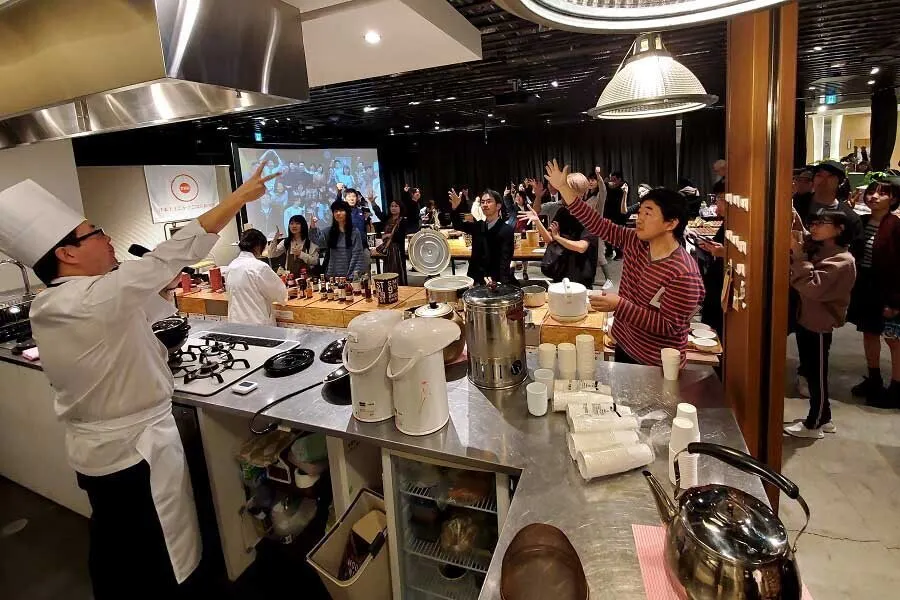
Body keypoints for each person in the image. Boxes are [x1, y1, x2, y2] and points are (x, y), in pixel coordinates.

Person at [0, 166, 278, 599]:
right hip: (132, 455)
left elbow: (141, 312)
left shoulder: (62, 301)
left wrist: (159, 291)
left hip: (108, 452)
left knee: (121, 548)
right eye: (95, 233)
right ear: (68, 253)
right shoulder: (85, 299)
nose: (107, 238)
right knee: (153, 556)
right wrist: (238, 198)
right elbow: (168, 256)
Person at [545, 160, 704, 367]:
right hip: (624, 344)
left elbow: (670, 326)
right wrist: (564, 188)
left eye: (648, 213)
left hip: (657, 361)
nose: (639, 219)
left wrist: (620, 305)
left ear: (671, 223)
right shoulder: (634, 240)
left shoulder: (683, 273)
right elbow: (597, 224)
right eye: (640, 212)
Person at [784, 209, 857, 439]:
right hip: (808, 318)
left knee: (817, 375)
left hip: (819, 323)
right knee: (812, 371)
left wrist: (799, 257)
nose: (814, 227)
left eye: (821, 223)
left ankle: (814, 424)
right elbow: (800, 232)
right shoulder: (822, 248)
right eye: (813, 222)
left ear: (840, 228)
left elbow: (813, 287)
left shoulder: (843, 261)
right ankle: (824, 418)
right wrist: (790, 209)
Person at [847, 177, 900, 408]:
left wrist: (895, 301)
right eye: (871, 192)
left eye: (882, 193)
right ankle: (874, 378)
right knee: (869, 333)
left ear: (894, 199)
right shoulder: (862, 221)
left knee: (894, 340)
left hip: (890, 289)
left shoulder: (896, 226)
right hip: (866, 287)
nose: (874, 197)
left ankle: (897, 388)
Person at [520, 172, 597, 288]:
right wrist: (537, 221)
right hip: (561, 269)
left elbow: (581, 247)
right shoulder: (562, 212)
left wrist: (558, 238)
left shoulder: (589, 215)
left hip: (581, 273)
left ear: (578, 193)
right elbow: (549, 239)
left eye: (565, 189)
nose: (562, 193)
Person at [449, 188, 515, 285]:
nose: (485, 205)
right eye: (482, 202)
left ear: (498, 206)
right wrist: (455, 208)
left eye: (489, 201)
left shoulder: (506, 230)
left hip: (494, 280)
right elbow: (458, 225)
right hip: (474, 279)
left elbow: (505, 260)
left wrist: (499, 282)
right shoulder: (478, 226)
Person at [226, 229, 288, 326]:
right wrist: (287, 293)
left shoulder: (231, 266)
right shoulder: (260, 267)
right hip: (257, 325)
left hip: (235, 323)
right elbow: (279, 294)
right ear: (258, 246)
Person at [793, 160, 862, 241]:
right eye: (819, 175)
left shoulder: (849, 218)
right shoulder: (796, 203)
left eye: (830, 176)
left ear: (841, 182)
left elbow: (856, 246)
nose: (823, 180)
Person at [310, 198, 367, 279]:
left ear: (347, 213)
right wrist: (313, 226)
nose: (338, 213)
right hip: (332, 276)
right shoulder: (329, 231)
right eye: (335, 211)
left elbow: (357, 255)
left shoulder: (354, 232)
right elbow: (317, 241)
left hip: (349, 276)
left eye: (341, 210)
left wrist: (352, 276)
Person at [371, 198, 409, 285]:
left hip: (397, 251)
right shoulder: (388, 219)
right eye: (392, 206)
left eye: (396, 206)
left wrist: (387, 235)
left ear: (400, 208)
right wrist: (373, 202)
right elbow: (379, 214)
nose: (393, 208)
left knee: (398, 271)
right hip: (388, 250)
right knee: (388, 270)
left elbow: (400, 237)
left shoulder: (403, 220)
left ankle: (401, 288)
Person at [585, 172, 611, 288]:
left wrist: (599, 176)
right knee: (588, 254)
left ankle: (609, 279)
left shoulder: (600, 196)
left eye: (593, 180)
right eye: (589, 180)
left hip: (596, 228)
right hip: (586, 228)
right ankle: (590, 278)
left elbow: (603, 190)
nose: (590, 182)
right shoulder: (587, 195)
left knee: (600, 255)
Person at [604, 170, 630, 259]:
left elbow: (616, 195)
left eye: (614, 180)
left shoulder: (623, 187)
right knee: (607, 235)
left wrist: (606, 184)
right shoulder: (611, 188)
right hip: (609, 215)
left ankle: (619, 254)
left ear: (619, 179)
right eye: (611, 179)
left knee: (618, 236)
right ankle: (609, 251)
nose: (612, 182)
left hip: (619, 216)